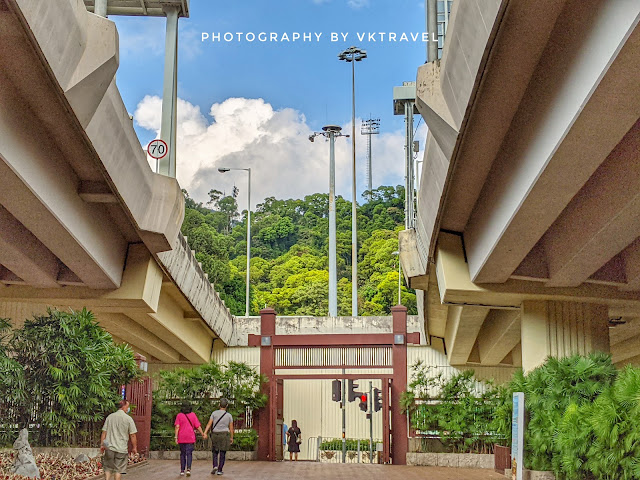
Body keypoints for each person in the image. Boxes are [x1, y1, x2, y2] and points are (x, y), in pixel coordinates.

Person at [100, 399, 137, 480]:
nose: (128, 409)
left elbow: (104, 433)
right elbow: (133, 435)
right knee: (118, 470)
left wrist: (103, 445)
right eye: (127, 407)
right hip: (121, 449)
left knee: (108, 468)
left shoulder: (110, 417)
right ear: (123, 407)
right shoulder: (128, 419)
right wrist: (134, 447)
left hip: (109, 448)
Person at [203, 398, 234, 476]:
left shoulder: (214, 413)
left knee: (215, 451)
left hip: (215, 434)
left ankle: (215, 465)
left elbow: (209, 424)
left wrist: (205, 432)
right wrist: (231, 437)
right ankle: (220, 470)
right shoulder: (229, 415)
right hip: (224, 434)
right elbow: (231, 428)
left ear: (219, 405)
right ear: (227, 405)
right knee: (223, 452)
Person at [175, 401, 206, 477]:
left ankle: (182, 470)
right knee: (189, 453)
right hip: (190, 437)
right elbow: (198, 426)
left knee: (182, 454)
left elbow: (177, 427)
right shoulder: (193, 415)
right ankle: (188, 469)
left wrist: (176, 437)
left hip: (181, 437)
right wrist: (202, 433)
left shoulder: (179, 415)